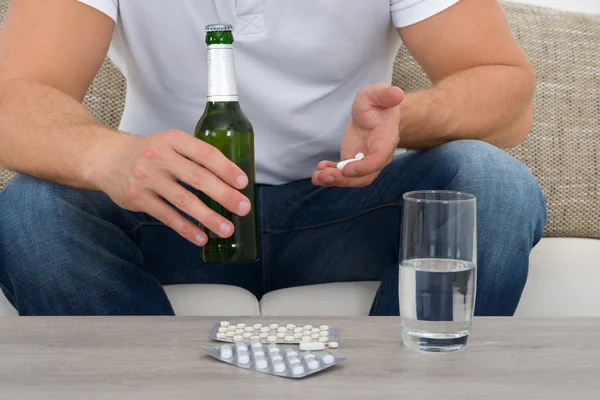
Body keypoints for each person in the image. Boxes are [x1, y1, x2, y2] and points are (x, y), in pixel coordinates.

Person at [0, 0, 546, 316]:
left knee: (492, 183)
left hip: (342, 207)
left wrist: (404, 119)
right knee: (32, 212)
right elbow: (13, 95)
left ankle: (401, 391)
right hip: (173, 213)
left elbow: (508, 95)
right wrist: (110, 155)